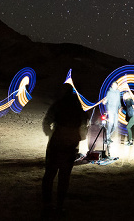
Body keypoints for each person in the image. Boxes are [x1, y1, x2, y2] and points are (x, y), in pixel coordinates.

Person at [42, 83, 87, 215]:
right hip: (70, 146)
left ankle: (47, 205)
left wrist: (51, 134)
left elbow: (46, 122)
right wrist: (78, 137)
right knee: (64, 177)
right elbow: (84, 124)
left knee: (49, 175)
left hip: (56, 143)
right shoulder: (78, 107)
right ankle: (59, 206)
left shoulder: (58, 104)